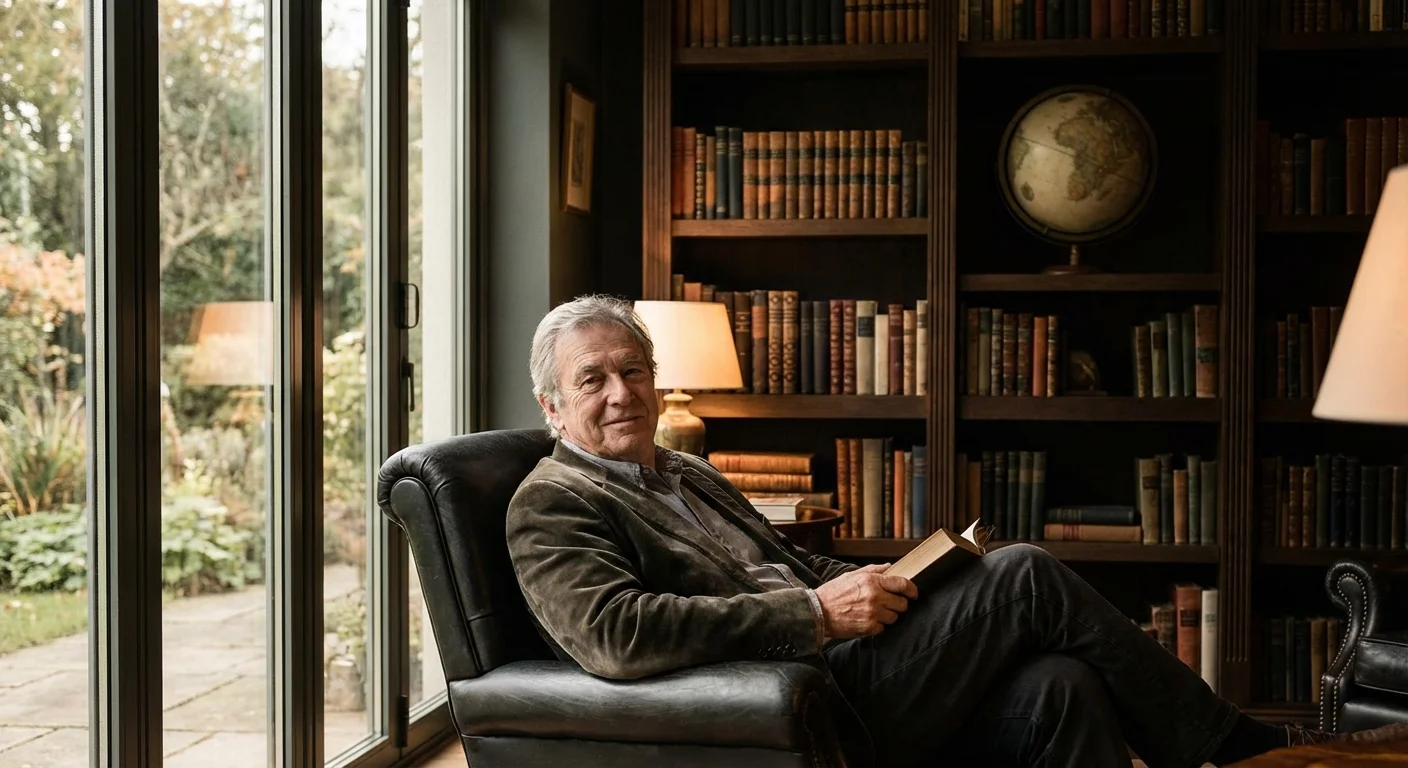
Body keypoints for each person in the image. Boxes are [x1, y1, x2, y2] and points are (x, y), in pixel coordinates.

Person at [505, 295, 1381, 768]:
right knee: (1027, 574)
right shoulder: (551, 504)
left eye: (634, 370)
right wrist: (816, 613)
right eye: (593, 380)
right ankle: (1244, 754)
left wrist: (887, 576)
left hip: (841, 656)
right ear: (552, 406)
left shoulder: (684, 468)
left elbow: (791, 562)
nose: (621, 393)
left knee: (1058, 682)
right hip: (797, 697)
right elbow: (615, 637)